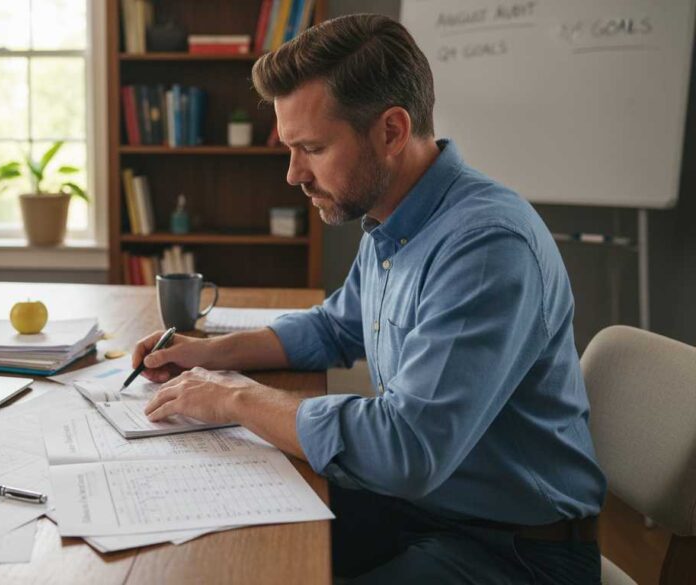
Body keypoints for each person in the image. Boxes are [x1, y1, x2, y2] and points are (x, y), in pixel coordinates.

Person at [133, 13, 606, 584]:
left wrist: (235, 399)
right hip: (422, 508)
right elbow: (335, 329)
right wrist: (207, 355)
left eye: (311, 147)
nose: (292, 175)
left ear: (390, 131)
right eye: (289, 148)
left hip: (514, 552)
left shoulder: (485, 247)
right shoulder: (394, 219)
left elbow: (405, 448)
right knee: (223, 546)